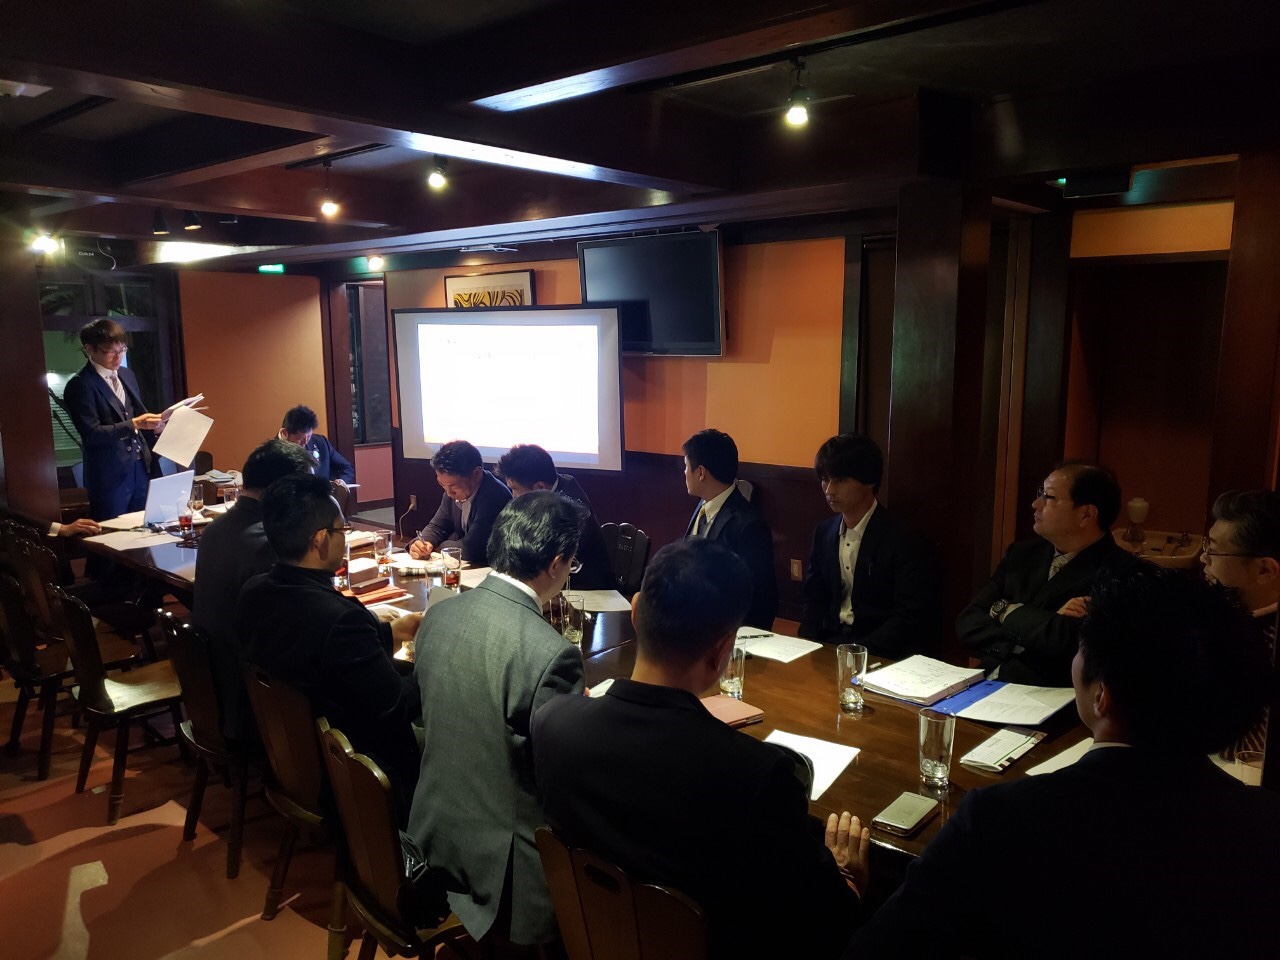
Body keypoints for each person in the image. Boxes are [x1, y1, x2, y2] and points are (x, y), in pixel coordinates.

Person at [845, 565, 1280, 958]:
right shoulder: (1264, 824)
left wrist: (849, 887)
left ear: (1102, 694)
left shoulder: (997, 821)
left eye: (1080, 650)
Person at [533, 539, 868, 959]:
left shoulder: (552, 724)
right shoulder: (757, 776)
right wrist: (846, 876)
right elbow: (826, 924)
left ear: (635, 613)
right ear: (722, 651)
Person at [407, 491, 586, 947]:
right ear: (556, 564)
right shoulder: (552, 654)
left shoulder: (439, 614)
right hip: (506, 868)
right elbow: (561, 780)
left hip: (433, 830)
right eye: (572, 564)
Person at [236, 473, 423, 815]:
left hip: (291, 757)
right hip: (351, 773)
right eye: (343, 529)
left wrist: (391, 632)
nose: (345, 537)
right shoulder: (341, 619)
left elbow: (319, 654)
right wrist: (437, 661)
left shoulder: (255, 590)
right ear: (321, 540)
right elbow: (396, 706)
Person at [956, 461, 1137, 685]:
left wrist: (1003, 609)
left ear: (1086, 514)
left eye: (1049, 497)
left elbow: (1067, 643)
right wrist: (1041, 628)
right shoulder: (1022, 553)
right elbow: (968, 623)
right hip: (986, 679)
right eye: (1040, 493)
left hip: (1047, 695)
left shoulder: (1121, 572)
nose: (1035, 504)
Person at [192, 439, 314, 739]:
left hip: (214, 685)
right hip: (253, 702)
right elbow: (300, 627)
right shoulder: (267, 542)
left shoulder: (214, 529)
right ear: (284, 491)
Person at [798, 434, 939, 658]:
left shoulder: (903, 538)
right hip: (831, 642)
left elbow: (907, 616)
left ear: (870, 480)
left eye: (840, 480)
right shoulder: (824, 531)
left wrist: (856, 653)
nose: (829, 490)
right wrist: (805, 642)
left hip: (881, 651)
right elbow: (814, 597)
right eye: (825, 479)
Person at [1201, 488, 1280, 757]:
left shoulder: (1269, 646)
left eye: (1214, 551)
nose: (1203, 558)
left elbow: (1250, 754)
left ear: (1264, 570)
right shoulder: (1224, 614)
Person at [62, 319, 164, 520]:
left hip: (142, 466)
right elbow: (91, 434)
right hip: (109, 476)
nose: (118, 357)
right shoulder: (80, 384)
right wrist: (134, 424)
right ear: (89, 349)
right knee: (113, 531)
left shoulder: (127, 375)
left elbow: (135, 412)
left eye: (122, 349)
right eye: (110, 351)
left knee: (148, 527)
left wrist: (156, 425)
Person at [681, 428, 777, 629]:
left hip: (724, 632)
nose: (684, 473)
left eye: (686, 466)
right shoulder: (703, 504)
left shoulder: (749, 524)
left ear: (701, 473)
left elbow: (761, 598)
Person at [496, 443, 614, 590]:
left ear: (540, 487)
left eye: (515, 490)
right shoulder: (549, 492)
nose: (513, 497)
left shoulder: (571, 508)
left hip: (587, 590)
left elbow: (549, 558)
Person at [408, 439, 512, 565]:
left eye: (453, 486)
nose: (448, 493)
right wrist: (422, 543)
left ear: (476, 474)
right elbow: (438, 526)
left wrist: (438, 546)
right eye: (442, 485)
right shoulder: (451, 491)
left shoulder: (495, 496)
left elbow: (471, 549)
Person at [279, 404, 355, 485]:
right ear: (285, 433)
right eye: (300, 439)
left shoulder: (321, 442)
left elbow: (347, 468)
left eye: (308, 437)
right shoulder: (273, 452)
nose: (305, 442)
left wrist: (342, 482)